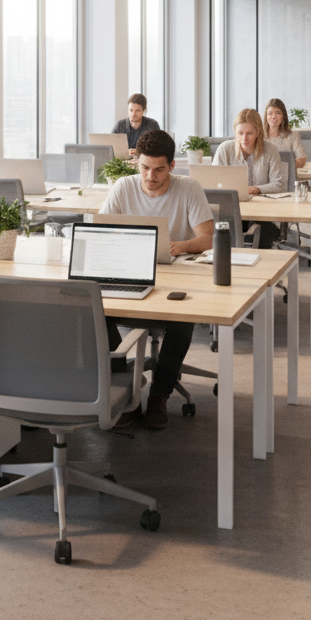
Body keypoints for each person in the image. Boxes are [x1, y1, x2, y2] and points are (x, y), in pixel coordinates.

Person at [99, 129, 213, 430]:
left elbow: (207, 238)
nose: (150, 176)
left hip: (175, 276)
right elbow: (102, 233)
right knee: (97, 312)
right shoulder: (123, 187)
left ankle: (159, 396)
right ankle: (122, 391)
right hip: (129, 272)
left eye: (159, 169)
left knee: (182, 320)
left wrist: (181, 245)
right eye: (145, 168)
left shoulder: (188, 188)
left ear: (172, 166)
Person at [213, 108, 286, 249]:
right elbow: (213, 184)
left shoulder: (270, 150)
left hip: (263, 213)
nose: (244, 139)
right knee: (222, 232)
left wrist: (255, 189)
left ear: (258, 132)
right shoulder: (224, 150)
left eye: (249, 133)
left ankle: (262, 268)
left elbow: (280, 185)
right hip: (231, 212)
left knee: (261, 234)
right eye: (240, 133)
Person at [264, 98, 307, 168]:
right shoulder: (259, 136)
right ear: (266, 116)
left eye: (278, 113)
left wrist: (279, 167)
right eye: (270, 113)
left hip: (287, 176)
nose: (273, 116)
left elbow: (301, 160)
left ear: (283, 116)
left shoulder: (293, 135)